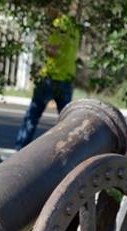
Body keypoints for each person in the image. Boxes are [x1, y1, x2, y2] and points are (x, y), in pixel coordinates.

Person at [13, 9, 81, 150]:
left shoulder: (58, 25)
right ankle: (70, 152)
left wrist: (43, 42)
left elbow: (52, 51)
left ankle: (19, 151)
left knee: (32, 116)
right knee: (66, 122)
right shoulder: (74, 27)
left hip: (51, 77)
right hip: (67, 78)